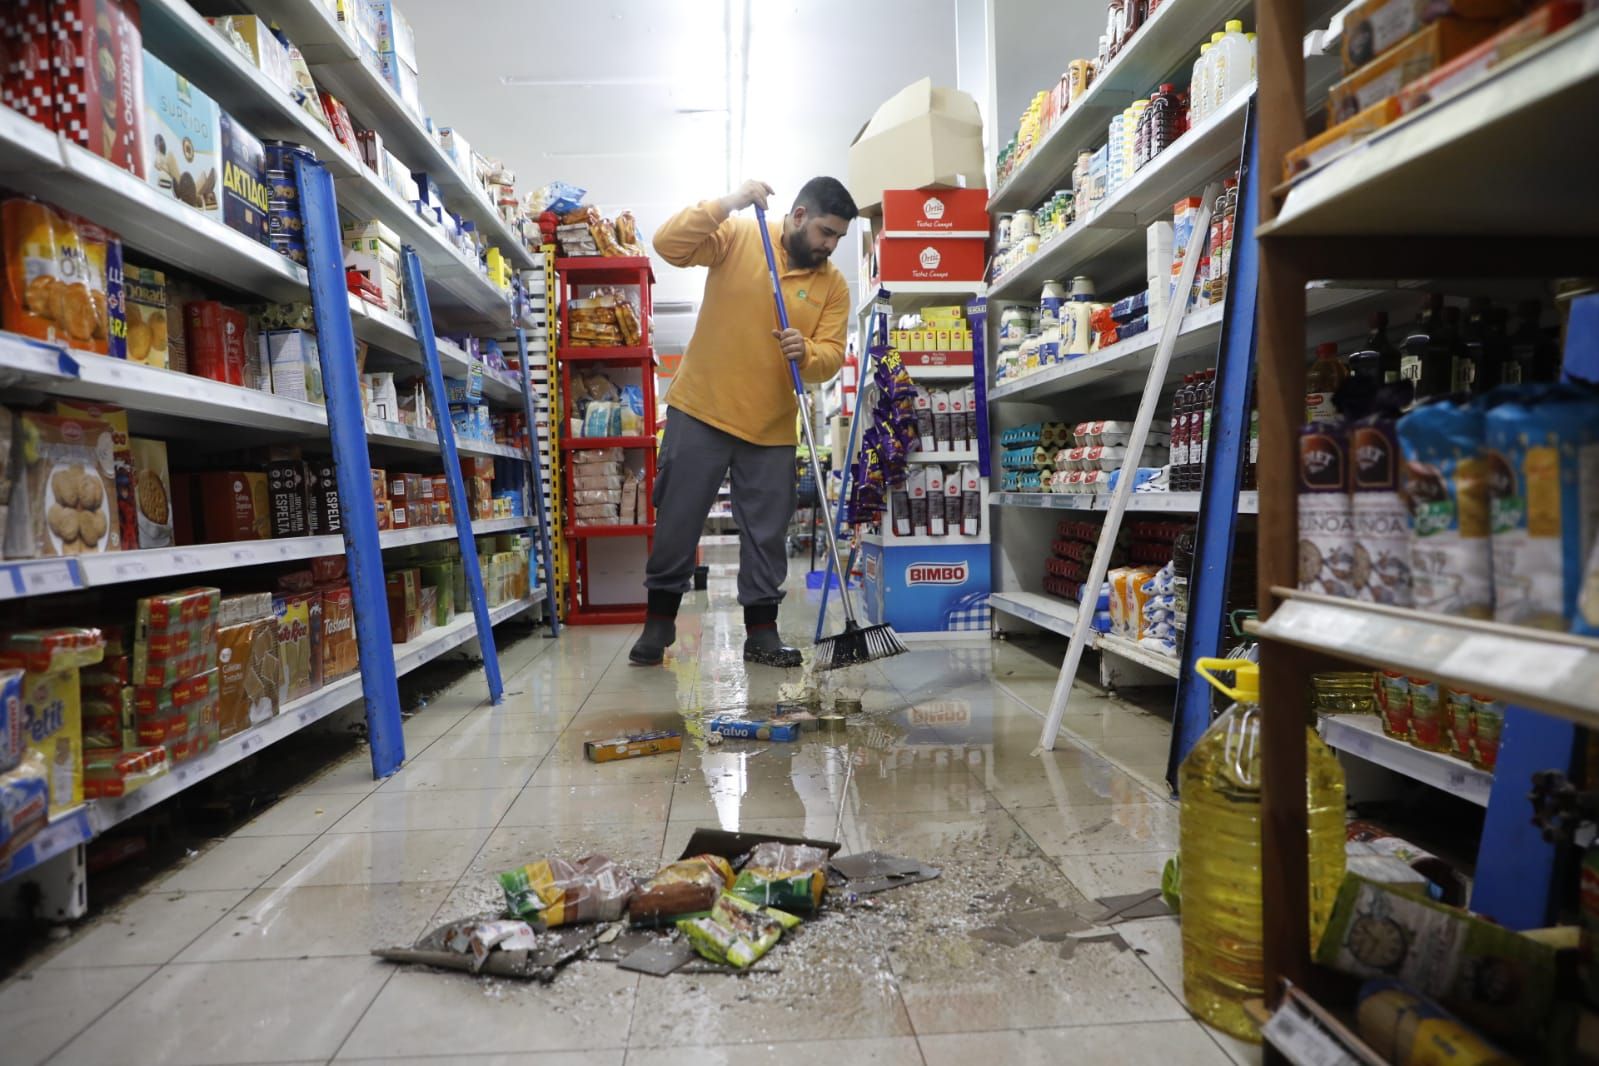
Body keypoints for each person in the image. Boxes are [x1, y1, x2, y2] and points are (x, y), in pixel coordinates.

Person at [629, 176, 856, 667]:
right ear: (797, 215)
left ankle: (761, 632)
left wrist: (808, 351)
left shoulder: (832, 285)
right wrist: (726, 203)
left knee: (766, 534)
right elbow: (668, 243)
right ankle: (659, 621)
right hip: (701, 409)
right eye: (824, 231)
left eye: (838, 237)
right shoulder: (740, 235)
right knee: (678, 518)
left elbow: (832, 355)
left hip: (771, 427)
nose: (829, 244)